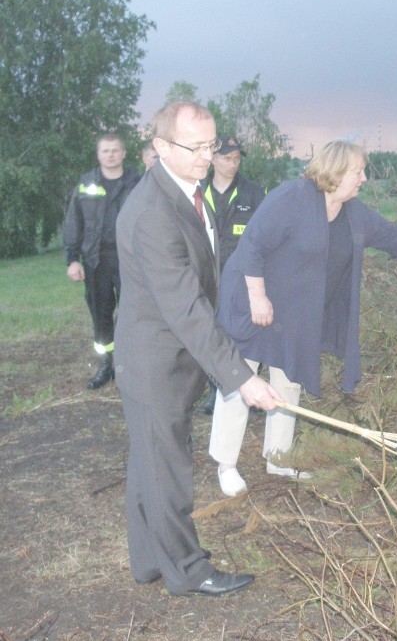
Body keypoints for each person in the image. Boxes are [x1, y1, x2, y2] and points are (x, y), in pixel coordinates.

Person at [209, 139, 397, 497]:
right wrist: (258, 297)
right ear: (335, 172)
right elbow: (252, 245)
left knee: (288, 380)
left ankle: (277, 457)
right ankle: (226, 464)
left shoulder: (353, 213)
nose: (363, 178)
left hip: (294, 315)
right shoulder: (292, 198)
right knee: (241, 377)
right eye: (358, 171)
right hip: (252, 300)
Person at [114, 101, 282, 597]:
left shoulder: (190, 189)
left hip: (175, 357)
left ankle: (148, 562)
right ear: (161, 147)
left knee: (150, 465)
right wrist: (243, 378)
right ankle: (189, 569)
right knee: (167, 471)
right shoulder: (152, 214)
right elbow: (186, 307)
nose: (208, 156)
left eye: (212, 145)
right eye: (196, 147)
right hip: (155, 363)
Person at [63, 133, 141, 389]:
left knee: (132, 313)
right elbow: (74, 224)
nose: (110, 155)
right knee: (101, 315)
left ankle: (126, 364)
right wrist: (72, 260)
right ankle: (104, 365)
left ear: (123, 153)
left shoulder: (137, 183)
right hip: (96, 261)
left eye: (115, 150)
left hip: (130, 260)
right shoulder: (86, 185)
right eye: (105, 151)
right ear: (98, 155)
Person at [197, 135, 267, 415]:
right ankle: (218, 390)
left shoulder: (253, 192)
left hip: (243, 280)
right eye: (227, 158)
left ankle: (250, 388)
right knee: (212, 334)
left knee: (246, 336)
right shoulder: (197, 192)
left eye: (237, 158)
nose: (233, 164)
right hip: (207, 277)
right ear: (213, 159)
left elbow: (264, 236)